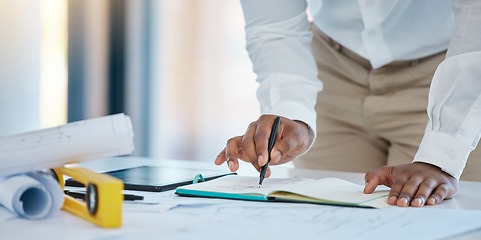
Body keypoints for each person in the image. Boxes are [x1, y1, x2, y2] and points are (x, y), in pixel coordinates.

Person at [215, 0, 481, 207]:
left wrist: (442, 156)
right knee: (322, 219)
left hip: (450, 74)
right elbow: (273, 27)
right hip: (329, 67)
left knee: (431, 216)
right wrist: (293, 113)